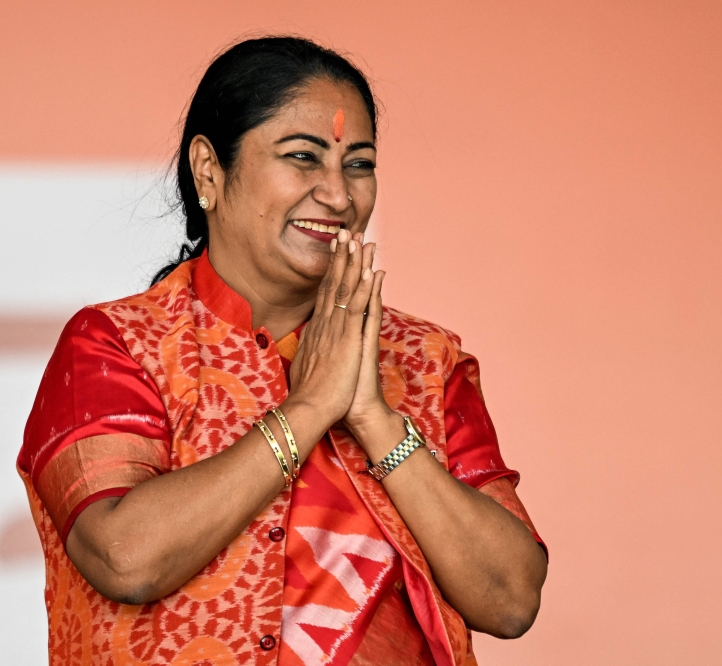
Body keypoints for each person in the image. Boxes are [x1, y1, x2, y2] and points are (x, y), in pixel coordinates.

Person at [17, 36, 547, 666]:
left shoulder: (422, 361)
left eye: (358, 163)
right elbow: (124, 558)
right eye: (304, 157)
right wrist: (311, 408)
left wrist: (376, 421)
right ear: (211, 170)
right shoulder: (120, 345)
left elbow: (511, 600)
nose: (339, 195)